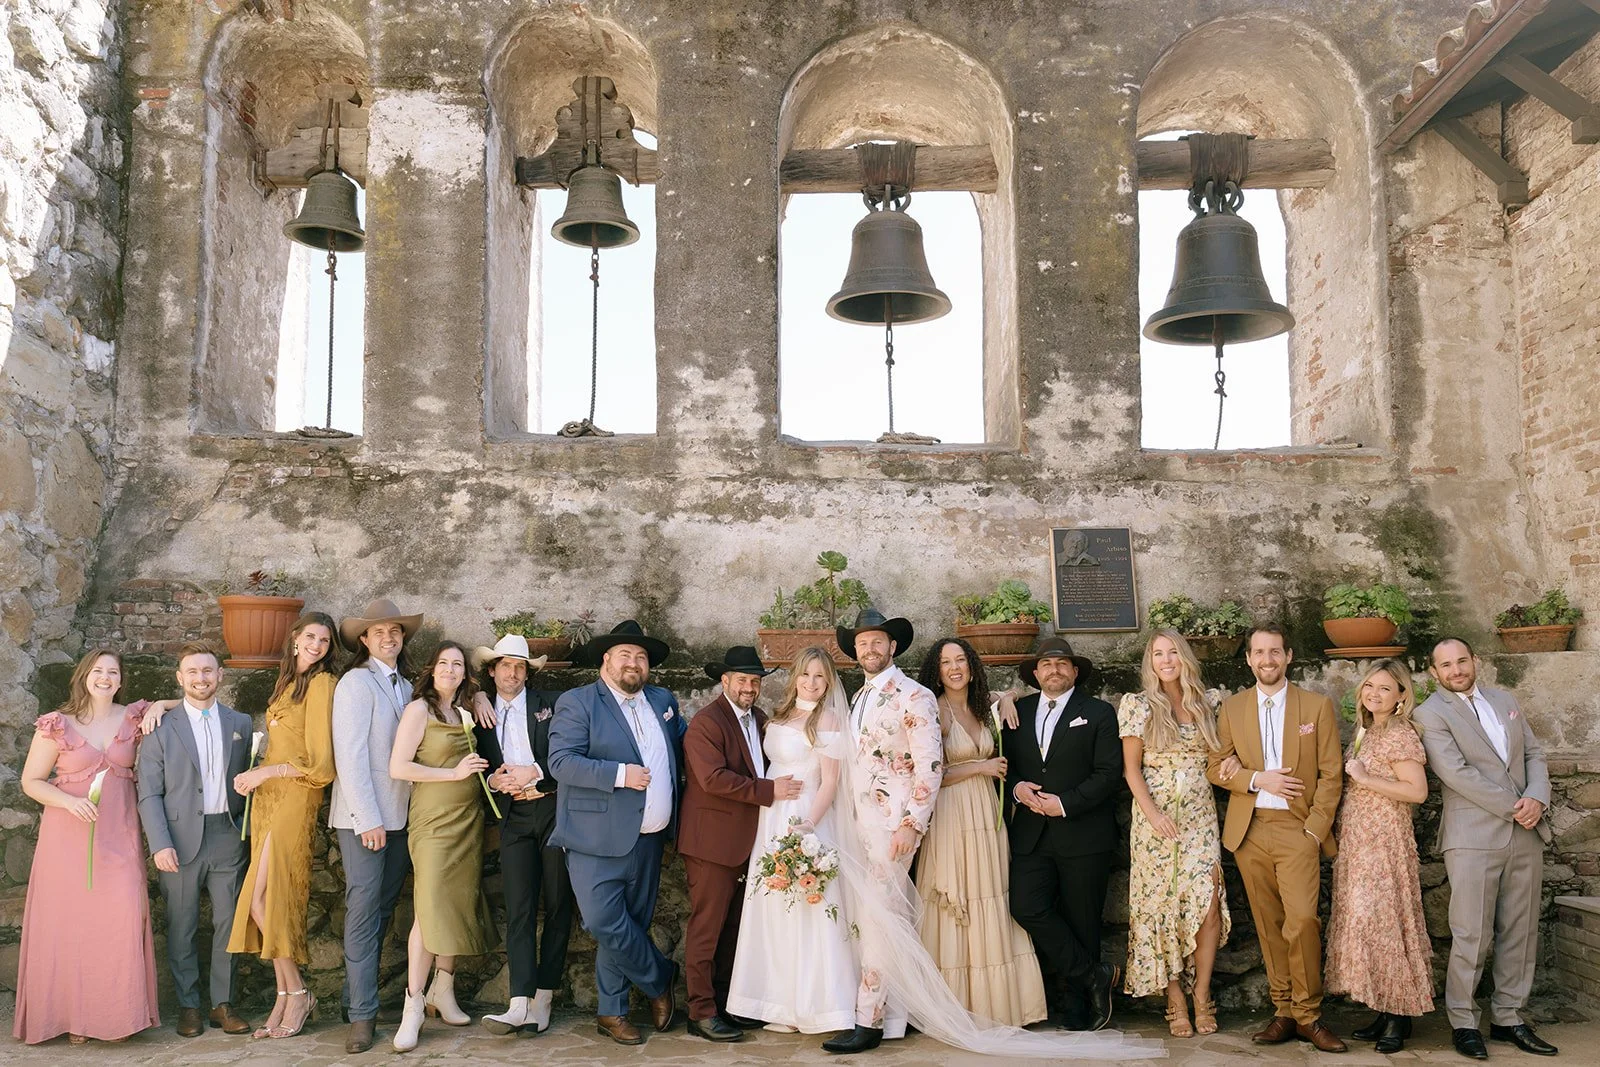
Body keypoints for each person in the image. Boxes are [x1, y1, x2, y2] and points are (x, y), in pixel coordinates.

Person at [1415, 637, 1557, 1060]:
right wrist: (1516, 807)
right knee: (1471, 933)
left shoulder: (1504, 699)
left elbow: (1534, 753)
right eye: (1446, 665)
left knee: (1520, 930)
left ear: (1475, 661)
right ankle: (1463, 1021)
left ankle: (1508, 1017)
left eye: (1462, 661)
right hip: (1473, 837)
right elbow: (1456, 774)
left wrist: (1538, 798)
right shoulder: (1430, 713)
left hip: (1525, 832)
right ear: (1434, 672)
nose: (1456, 670)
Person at [1206, 625, 1346, 1053]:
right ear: (1248, 659)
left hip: (1297, 829)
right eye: (1258, 652)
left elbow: (1331, 774)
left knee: (1302, 920)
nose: (1267, 659)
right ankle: (1283, 1012)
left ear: (1287, 657)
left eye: (1275, 652)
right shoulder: (1231, 708)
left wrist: (1313, 829)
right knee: (1269, 926)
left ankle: (1309, 1014)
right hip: (1249, 831)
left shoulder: (1316, 706)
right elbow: (1216, 766)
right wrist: (1255, 779)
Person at [548, 620, 686, 1046]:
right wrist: (621, 774)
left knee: (630, 925)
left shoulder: (662, 699)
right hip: (593, 839)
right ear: (606, 660)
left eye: (641, 657)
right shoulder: (579, 702)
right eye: (625, 654)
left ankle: (612, 1013)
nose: (634, 662)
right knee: (604, 922)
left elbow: (686, 745)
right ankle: (660, 978)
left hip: (649, 838)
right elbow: (561, 762)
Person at [14, 650, 159, 1045]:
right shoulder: (57, 725)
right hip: (67, 835)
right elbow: (32, 781)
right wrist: (69, 802)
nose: (106, 677)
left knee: (122, 918)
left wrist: (162, 702)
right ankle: (73, 1019)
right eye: (98, 671)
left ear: (121, 679)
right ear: (84, 676)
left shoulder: (134, 718)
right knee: (70, 926)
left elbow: (190, 701)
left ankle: (115, 1018)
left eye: (113, 671)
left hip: (120, 835)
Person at [822, 608, 944, 1054]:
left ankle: (869, 1022)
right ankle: (895, 1015)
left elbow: (930, 766)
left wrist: (912, 825)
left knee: (878, 919)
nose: (869, 649)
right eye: (861, 644)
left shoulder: (914, 695)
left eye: (877, 642)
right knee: (879, 919)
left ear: (892, 647)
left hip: (893, 827)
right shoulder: (858, 697)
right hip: (858, 827)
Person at [914, 636, 1047, 1028]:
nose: (954, 668)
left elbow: (1016, 691)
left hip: (986, 817)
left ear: (972, 666)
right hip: (951, 816)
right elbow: (930, 773)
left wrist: (1007, 695)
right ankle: (956, 1006)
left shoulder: (981, 708)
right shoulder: (933, 710)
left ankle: (1001, 1005)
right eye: (945, 663)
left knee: (991, 895)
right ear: (936, 672)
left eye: (961, 660)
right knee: (960, 900)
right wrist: (981, 768)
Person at [725, 646, 859, 1035]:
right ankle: (779, 1005)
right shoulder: (777, 717)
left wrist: (807, 827)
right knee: (774, 909)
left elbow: (830, 781)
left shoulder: (829, 720)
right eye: (805, 675)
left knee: (809, 910)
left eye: (820, 676)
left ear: (829, 681)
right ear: (794, 677)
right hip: (771, 818)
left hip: (805, 817)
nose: (812, 683)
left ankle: (816, 1007)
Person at [679, 645, 804, 1041]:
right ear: (725, 681)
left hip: (750, 844)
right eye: (742, 680)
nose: (750, 687)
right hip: (711, 844)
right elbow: (713, 779)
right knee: (707, 928)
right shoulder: (705, 723)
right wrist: (770, 790)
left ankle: (723, 1005)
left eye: (755, 681)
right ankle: (699, 1011)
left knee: (735, 928)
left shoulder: (759, 719)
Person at [225, 612, 338, 1039]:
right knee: (261, 899)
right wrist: (254, 776)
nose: (317, 645)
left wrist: (266, 774)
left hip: (296, 795)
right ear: (294, 640)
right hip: (269, 798)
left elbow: (320, 763)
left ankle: (296, 993)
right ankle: (288, 993)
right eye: (311, 636)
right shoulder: (286, 683)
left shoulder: (323, 684)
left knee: (265, 896)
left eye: (324, 641)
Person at [1002, 636, 1122, 1033]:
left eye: (1061, 664)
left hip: (1083, 831)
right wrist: (1018, 788)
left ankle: (1078, 1005)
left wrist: (1065, 803)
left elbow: (1108, 774)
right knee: (1025, 906)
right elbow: (1006, 763)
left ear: (1074, 672)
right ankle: (1094, 974)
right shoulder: (1017, 711)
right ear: (1035, 674)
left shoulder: (1099, 713)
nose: (1054, 670)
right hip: (1032, 833)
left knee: (1082, 918)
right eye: (1046, 664)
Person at [135, 643, 253, 1039]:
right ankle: (188, 1005)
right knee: (182, 924)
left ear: (220, 675)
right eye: (192, 671)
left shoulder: (240, 723)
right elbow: (149, 793)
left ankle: (223, 1004)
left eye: (208, 670)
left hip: (227, 836)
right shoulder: (160, 728)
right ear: (179, 678)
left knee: (228, 923)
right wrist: (160, 843)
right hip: (179, 841)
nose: (200, 678)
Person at [387, 641, 499, 1052]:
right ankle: (412, 1006)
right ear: (431, 670)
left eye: (457, 664)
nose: (450, 669)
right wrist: (452, 775)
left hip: (468, 821)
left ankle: (443, 990)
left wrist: (483, 693)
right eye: (443, 663)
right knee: (429, 908)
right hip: (433, 822)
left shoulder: (465, 710)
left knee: (458, 902)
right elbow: (398, 767)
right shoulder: (419, 710)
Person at [1117, 630, 1230, 1038]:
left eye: (1172, 653)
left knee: (1207, 903)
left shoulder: (1210, 703)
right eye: (1157, 654)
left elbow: (1225, 756)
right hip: (1155, 822)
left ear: (1185, 658)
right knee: (1161, 906)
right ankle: (1175, 997)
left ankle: (1202, 994)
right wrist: (1153, 814)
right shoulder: (1138, 705)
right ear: (1150, 662)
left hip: (1200, 818)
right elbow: (1131, 770)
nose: (1166, 660)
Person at [1324, 659, 1431, 1054]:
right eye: (1370, 686)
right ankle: (1384, 1010)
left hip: (1384, 841)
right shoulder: (1368, 730)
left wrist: (1367, 778)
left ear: (1402, 696)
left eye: (1385, 689)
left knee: (1385, 921)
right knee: (1368, 924)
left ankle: (1399, 1017)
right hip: (1358, 841)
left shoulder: (1401, 734)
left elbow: (1416, 791)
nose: (1375, 694)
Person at [331, 597, 423, 1054]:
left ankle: (355, 998)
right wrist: (367, 818)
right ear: (364, 640)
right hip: (363, 820)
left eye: (396, 631)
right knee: (365, 913)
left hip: (401, 817)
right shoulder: (355, 683)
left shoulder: (407, 686)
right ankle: (361, 1018)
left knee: (383, 910)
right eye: (379, 631)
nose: (388, 637)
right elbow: (349, 756)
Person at [468, 633, 571, 1036]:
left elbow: (568, 751)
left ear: (528, 673)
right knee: (519, 907)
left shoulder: (553, 705)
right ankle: (517, 1001)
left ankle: (544, 995)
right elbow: (471, 764)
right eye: (505, 666)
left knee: (560, 902)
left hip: (552, 809)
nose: (513, 673)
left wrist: (537, 772)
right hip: (512, 818)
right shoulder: (476, 713)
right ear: (492, 671)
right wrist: (493, 781)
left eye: (520, 667)